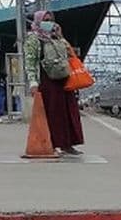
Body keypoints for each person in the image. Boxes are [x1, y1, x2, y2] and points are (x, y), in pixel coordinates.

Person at [23, 10, 84, 154]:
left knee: (69, 112)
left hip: (64, 80)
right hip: (47, 81)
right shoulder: (33, 39)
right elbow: (30, 62)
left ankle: (67, 144)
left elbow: (70, 54)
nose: (48, 22)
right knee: (53, 113)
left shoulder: (57, 38)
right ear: (38, 21)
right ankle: (52, 144)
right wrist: (33, 83)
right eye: (45, 19)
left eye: (50, 19)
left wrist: (61, 37)